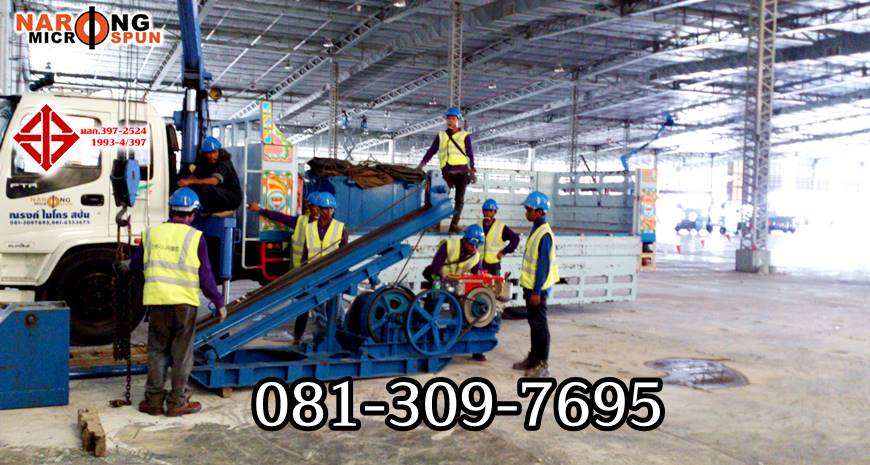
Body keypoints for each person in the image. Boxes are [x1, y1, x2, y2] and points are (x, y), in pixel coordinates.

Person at [131, 187, 226, 417]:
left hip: (157, 302)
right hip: (184, 304)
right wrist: (219, 301)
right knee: (182, 354)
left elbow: (135, 266)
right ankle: (176, 402)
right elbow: (206, 276)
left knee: (157, 350)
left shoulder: (151, 234)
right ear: (193, 213)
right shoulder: (195, 238)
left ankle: (153, 401)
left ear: (171, 210)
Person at [513, 192, 559, 378]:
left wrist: (537, 291)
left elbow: (543, 265)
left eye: (529, 209)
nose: (527, 212)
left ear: (540, 211)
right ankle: (533, 358)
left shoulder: (544, 234)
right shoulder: (536, 229)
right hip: (530, 286)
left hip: (538, 289)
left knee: (540, 325)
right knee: (533, 323)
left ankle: (542, 364)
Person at [416, 106, 476, 233]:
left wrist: (472, 171)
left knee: (459, 200)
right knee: (440, 198)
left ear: (458, 120)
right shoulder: (441, 136)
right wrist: (422, 164)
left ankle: (453, 225)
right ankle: (435, 224)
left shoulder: (465, 136)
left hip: (462, 173)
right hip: (447, 172)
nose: (450, 121)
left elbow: (470, 155)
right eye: (448, 118)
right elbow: (431, 151)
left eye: (453, 118)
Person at [248, 191, 321, 269]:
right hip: (307, 267)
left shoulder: (303, 221)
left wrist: (259, 209)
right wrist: (259, 210)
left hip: (310, 267)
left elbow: (280, 217)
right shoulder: (302, 220)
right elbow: (280, 217)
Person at [177, 136, 242, 214]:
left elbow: (214, 181)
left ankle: (202, 210)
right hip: (218, 194)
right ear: (204, 154)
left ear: (219, 151)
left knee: (205, 189)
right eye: (209, 153)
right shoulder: (205, 162)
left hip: (232, 198)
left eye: (214, 152)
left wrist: (190, 181)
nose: (212, 156)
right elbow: (196, 174)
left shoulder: (225, 163)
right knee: (194, 187)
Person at [479, 198, 520, 276]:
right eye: (485, 210)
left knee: (495, 284)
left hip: (493, 266)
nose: (487, 213)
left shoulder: (501, 227)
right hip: (479, 265)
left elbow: (515, 239)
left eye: (490, 211)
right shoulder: (478, 226)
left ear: (495, 212)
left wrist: (503, 252)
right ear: (482, 211)